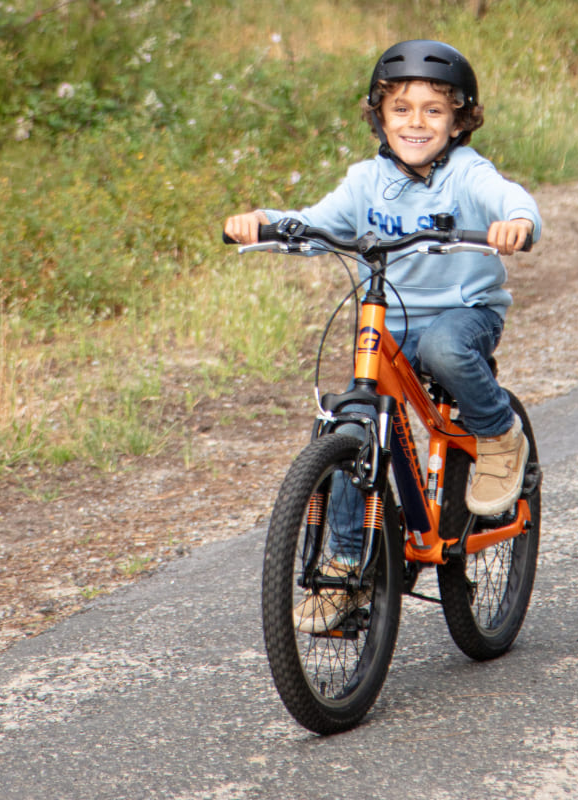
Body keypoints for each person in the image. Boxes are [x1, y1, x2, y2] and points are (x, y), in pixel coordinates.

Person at [224, 40, 542, 632]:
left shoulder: (468, 175)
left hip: (463, 312)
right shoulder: (366, 181)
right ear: (379, 114)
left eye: (433, 110)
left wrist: (516, 224)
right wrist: (266, 223)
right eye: (401, 109)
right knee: (353, 427)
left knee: (444, 350)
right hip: (389, 315)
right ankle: (346, 570)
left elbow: (512, 200)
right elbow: (318, 224)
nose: (416, 122)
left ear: (459, 120)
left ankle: (499, 435)